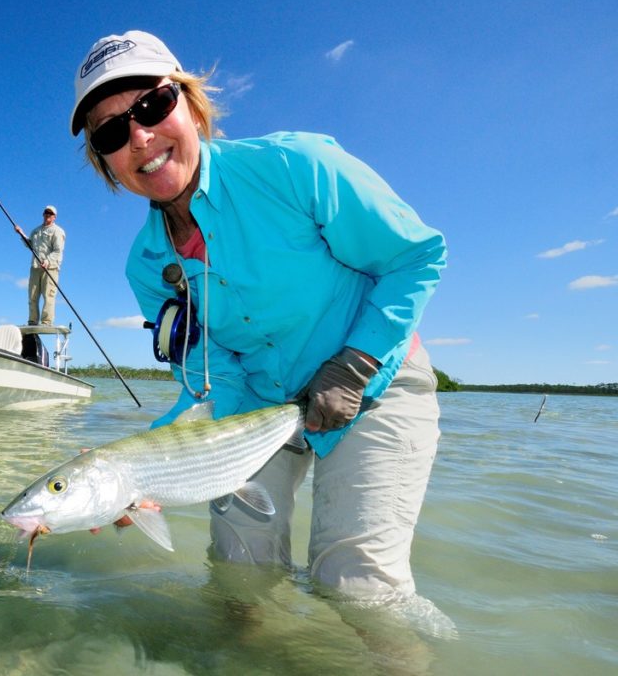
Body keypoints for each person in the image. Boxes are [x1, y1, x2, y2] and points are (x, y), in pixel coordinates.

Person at [69, 31, 448, 607]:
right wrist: (123, 469)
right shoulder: (147, 267)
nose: (140, 136)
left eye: (152, 105)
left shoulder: (297, 165)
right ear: (105, 162)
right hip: (260, 410)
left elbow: (414, 257)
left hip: (377, 381)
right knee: (236, 578)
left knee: (356, 587)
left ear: (191, 104)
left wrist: (355, 364)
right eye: (112, 132)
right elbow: (211, 379)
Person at [20, 205, 66, 325]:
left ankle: (46, 321)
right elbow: (30, 245)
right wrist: (21, 234)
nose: (47, 215)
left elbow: (58, 250)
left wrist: (48, 261)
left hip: (50, 268)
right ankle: (32, 321)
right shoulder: (36, 231)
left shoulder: (58, 231)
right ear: (43, 214)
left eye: (50, 214)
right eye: (46, 213)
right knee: (32, 296)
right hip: (35, 267)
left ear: (54, 217)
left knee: (48, 296)